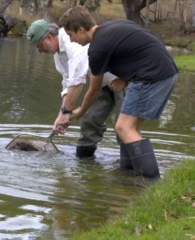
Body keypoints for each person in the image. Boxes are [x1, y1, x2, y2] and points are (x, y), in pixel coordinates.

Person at [58, 6, 179, 178]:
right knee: (132, 128)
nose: (71, 40)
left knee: (123, 127)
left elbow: (93, 90)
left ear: (81, 29)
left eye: (70, 34)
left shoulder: (97, 49)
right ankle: (129, 174)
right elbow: (140, 50)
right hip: (166, 72)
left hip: (152, 76)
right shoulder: (111, 28)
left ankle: (151, 182)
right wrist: (126, 79)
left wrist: (79, 111)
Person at [26, 19, 127, 158]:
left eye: (39, 46)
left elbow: (77, 82)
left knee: (123, 127)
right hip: (101, 85)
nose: (40, 51)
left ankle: (135, 170)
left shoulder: (72, 42)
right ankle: (85, 162)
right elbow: (67, 83)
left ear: (49, 37)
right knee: (89, 120)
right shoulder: (58, 55)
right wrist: (61, 115)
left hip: (124, 80)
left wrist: (67, 112)